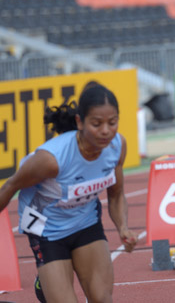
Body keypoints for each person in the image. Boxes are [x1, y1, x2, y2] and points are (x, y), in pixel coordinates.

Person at [0, 84, 138, 302]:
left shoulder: (117, 146)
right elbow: (10, 186)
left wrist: (123, 227)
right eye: (96, 123)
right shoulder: (51, 160)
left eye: (112, 122)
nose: (106, 131)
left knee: (102, 299)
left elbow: (117, 194)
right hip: (47, 231)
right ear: (80, 122)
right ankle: (46, 282)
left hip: (85, 224)